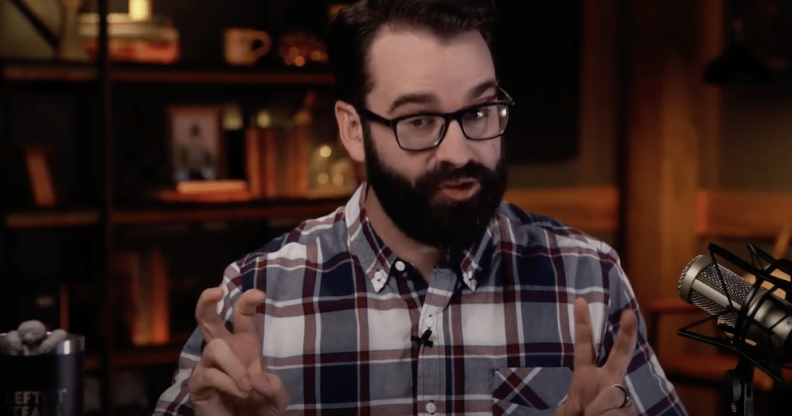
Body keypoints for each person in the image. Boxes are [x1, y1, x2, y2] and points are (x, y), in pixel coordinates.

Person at [154, 0, 688, 415]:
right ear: (353, 130)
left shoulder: (586, 277)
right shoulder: (259, 294)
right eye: (419, 121)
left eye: (478, 110)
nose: (459, 152)